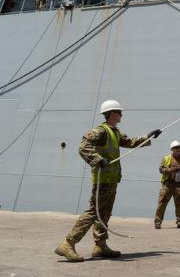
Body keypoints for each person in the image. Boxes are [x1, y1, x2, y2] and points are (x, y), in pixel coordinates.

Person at [54, 100, 162, 262]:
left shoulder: (115, 132)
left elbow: (130, 142)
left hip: (111, 179)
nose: (121, 115)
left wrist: (148, 136)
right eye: (119, 112)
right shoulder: (101, 131)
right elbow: (83, 145)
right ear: (111, 114)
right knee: (93, 212)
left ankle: (100, 245)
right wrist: (97, 159)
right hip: (102, 179)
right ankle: (68, 244)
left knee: (104, 213)